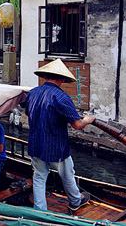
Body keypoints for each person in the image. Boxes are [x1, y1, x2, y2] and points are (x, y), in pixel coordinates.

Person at [26, 59, 96, 211]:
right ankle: (76, 201)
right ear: (62, 78)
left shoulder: (32, 93)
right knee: (67, 174)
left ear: (45, 75)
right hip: (55, 146)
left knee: (39, 177)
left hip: (35, 144)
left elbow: (28, 113)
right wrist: (88, 120)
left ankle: (40, 210)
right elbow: (77, 124)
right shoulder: (61, 97)